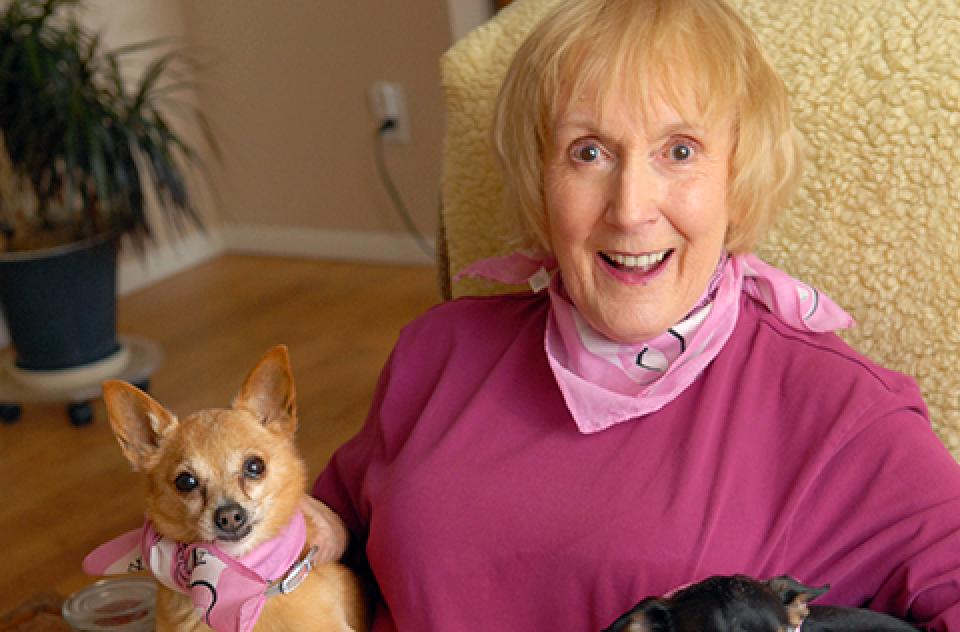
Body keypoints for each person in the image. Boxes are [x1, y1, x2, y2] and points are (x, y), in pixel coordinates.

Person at [308, 0, 960, 629]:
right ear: (539, 178)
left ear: (738, 175)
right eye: (588, 152)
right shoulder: (438, 350)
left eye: (679, 151)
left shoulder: (843, 413)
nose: (629, 208)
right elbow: (330, 536)